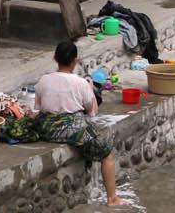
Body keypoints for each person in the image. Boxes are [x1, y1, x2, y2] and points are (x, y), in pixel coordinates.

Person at [33, 41, 127, 208]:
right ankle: (112, 198)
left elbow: (38, 107)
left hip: (46, 128)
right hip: (70, 130)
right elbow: (92, 112)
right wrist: (90, 89)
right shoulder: (80, 83)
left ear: (55, 58)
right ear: (75, 61)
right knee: (107, 155)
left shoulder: (43, 80)